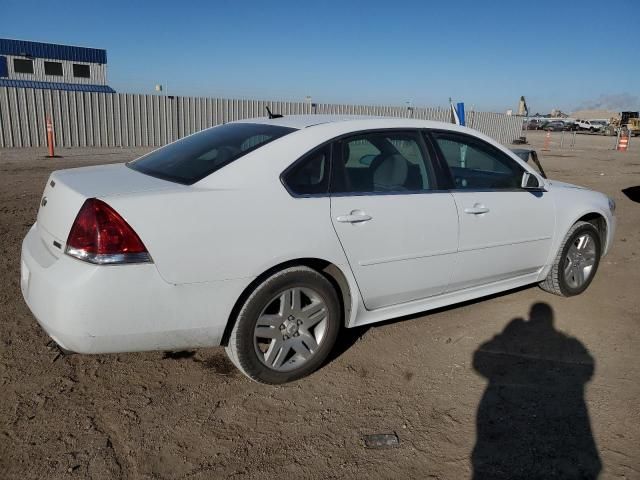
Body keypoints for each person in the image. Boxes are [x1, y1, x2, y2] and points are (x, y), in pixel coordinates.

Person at [472, 303, 601, 479]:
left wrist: (503, 337)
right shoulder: (568, 343)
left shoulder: (519, 337)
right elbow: (588, 368)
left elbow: (480, 360)